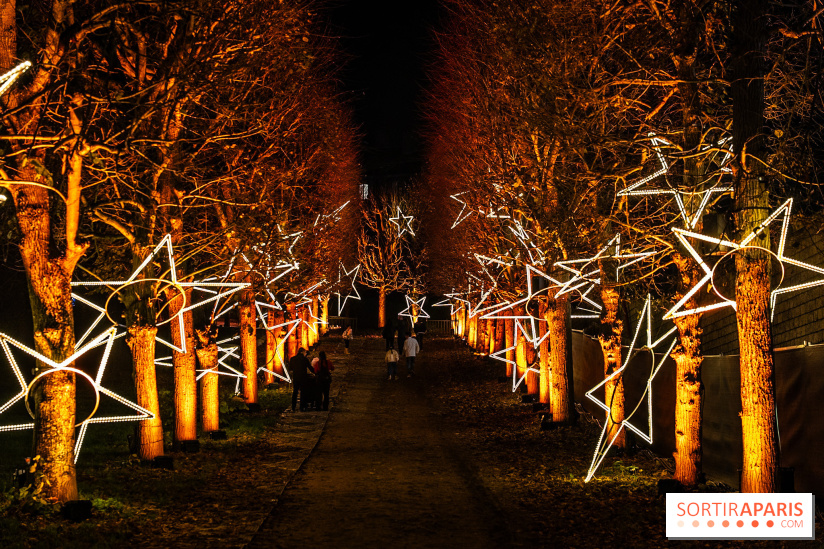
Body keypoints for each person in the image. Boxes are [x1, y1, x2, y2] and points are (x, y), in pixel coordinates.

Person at [288, 347, 314, 412]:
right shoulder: (305, 359)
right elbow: (310, 368)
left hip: (296, 377)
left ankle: (293, 407)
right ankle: (302, 407)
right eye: (305, 352)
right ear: (302, 352)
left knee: (295, 392)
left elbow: (290, 368)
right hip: (303, 377)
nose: (305, 354)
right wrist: (316, 372)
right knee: (303, 392)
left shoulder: (292, 359)